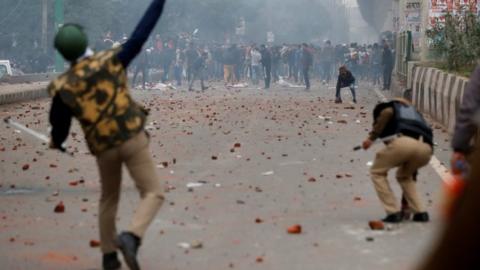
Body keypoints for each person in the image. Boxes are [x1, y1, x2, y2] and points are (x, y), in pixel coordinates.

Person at [47, 0, 166, 269]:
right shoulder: (112, 59)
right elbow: (140, 34)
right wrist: (158, 2)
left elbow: (60, 125)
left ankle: (109, 256)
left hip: (103, 148)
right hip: (132, 137)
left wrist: (57, 141)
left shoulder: (64, 86)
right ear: (85, 40)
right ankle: (132, 236)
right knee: (153, 192)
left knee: (109, 199)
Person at [362, 98, 433, 223]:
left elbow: (384, 119)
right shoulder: (415, 114)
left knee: (377, 172)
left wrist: (370, 139)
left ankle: (393, 212)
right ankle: (420, 212)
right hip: (426, 149)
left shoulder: (390, 109)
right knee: (405, 176)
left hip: (403, 142)